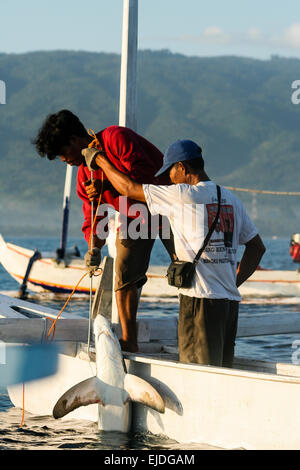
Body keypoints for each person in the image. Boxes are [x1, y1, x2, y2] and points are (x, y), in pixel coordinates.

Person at [82, 139, 266, 367]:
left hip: (199, 302)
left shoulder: (182, 195)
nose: (167, 178)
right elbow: (257, 247)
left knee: (199, 374)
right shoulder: (231, 199)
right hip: (229, 305)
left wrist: (99, 159)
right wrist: (232, 281)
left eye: (170, 171)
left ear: (182, 167)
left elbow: (128, 189)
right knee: (221, 371)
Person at [33, 109, 176, 353]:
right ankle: (129, 340)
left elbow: (143, 180)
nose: (64, 161)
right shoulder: (82, 176)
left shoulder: (116, 138)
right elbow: (94, 217)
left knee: (188, 268)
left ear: (75, 140)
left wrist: (105, 178)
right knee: (123, 273)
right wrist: (94, 249)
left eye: (63, 154)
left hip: (169, 203)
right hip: (134, 215)